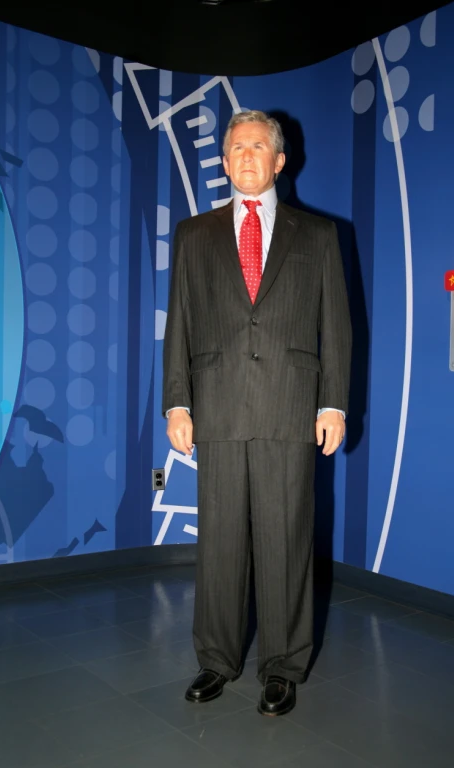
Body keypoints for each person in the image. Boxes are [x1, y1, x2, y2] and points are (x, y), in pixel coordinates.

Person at [162, 110, 352, 717]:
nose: (246, 156)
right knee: (219, 543)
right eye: (234, 148)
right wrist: (176, 402)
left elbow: (337, 330)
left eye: (257, 147)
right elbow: (180, 327)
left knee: (287, 538)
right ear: (223, 162)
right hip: (216, 407)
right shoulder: (194, 235)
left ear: (279, 160)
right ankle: (216, 660)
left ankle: (284, 665)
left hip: (290, 409)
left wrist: (333, 404)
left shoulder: (318, 236)